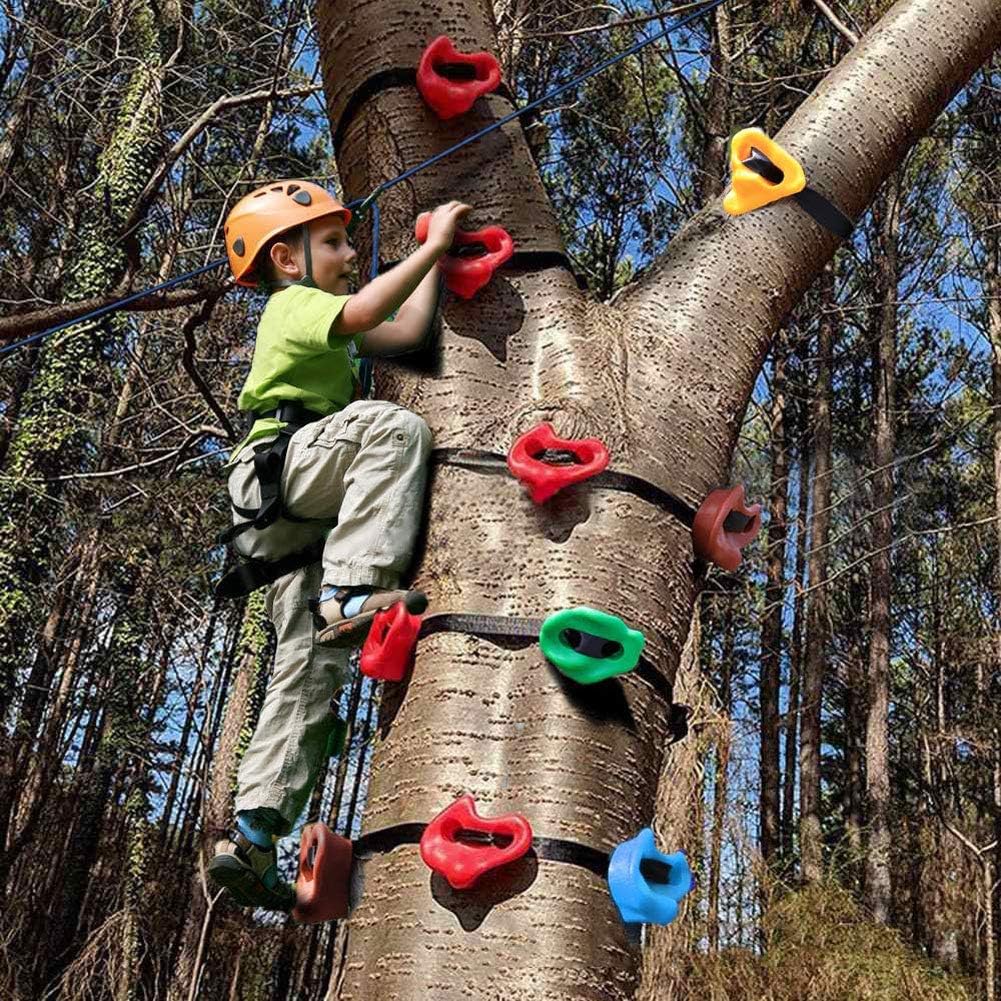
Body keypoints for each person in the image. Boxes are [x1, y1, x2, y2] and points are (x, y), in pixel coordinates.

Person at [208, 179, 471, 908]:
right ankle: (352, 588)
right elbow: (366, 309)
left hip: (298, 518)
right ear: (287, 260)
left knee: (306, 661)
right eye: (334, 242)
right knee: (393, 427)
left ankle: (256, 833)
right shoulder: (291, 306)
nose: (351, 252)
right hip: (285, 469)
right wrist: (435, 246)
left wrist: (430, 258)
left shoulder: (320, 314)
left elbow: (403, 330)